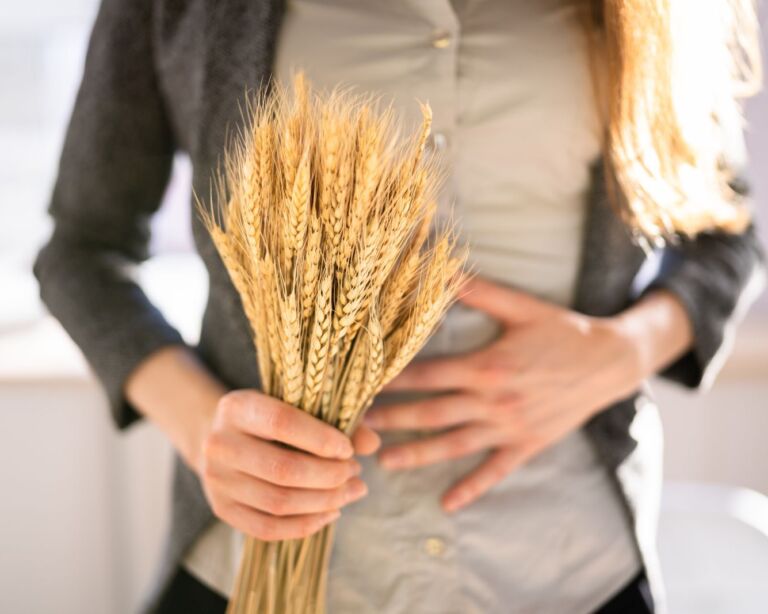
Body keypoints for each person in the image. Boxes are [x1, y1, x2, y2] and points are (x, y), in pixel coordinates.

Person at [34, 0, 765, 613]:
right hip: (263, 574)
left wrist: (624, 349)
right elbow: (83, 251)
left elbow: (726, 238)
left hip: (569, 569)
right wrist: (208, 434)